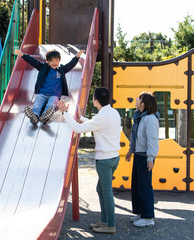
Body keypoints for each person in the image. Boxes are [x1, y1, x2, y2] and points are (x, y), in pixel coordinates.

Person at [57, 87, 121, 234]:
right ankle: (104, 221)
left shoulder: (101, 117)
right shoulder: (113, 113)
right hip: (113, 157)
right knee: (101, 190)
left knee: (106, 191)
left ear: (96, 101)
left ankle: (110, 225)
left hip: (104, 160)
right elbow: (97, 125)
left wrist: (64, 112)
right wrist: (82, 118)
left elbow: (78, 129)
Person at [15, 49, 84, 125]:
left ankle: (45, 117)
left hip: (54, 95)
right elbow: (33, 61)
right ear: (47, 61)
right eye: (51, 61)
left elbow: (71, 64)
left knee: (51, 104)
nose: (54, 63)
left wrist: (77, 56)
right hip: (42, 93)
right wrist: (22, 55)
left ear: (59, 60)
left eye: (56, 60)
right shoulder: (43, 67)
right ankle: (34, 116)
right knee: (38, 103)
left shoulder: (61, 70)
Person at [125, 92, 159, 227]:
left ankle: (148, 217)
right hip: (139, 154)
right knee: (137, 185)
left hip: (145, 156)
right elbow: (135, 137)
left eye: (139, 98)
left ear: (143, 104)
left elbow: (153, 140)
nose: (136, 100)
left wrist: (150, 158)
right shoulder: (140, 117)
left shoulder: (150, 119)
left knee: (144, 186)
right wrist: (130, 151)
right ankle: (141, 213)